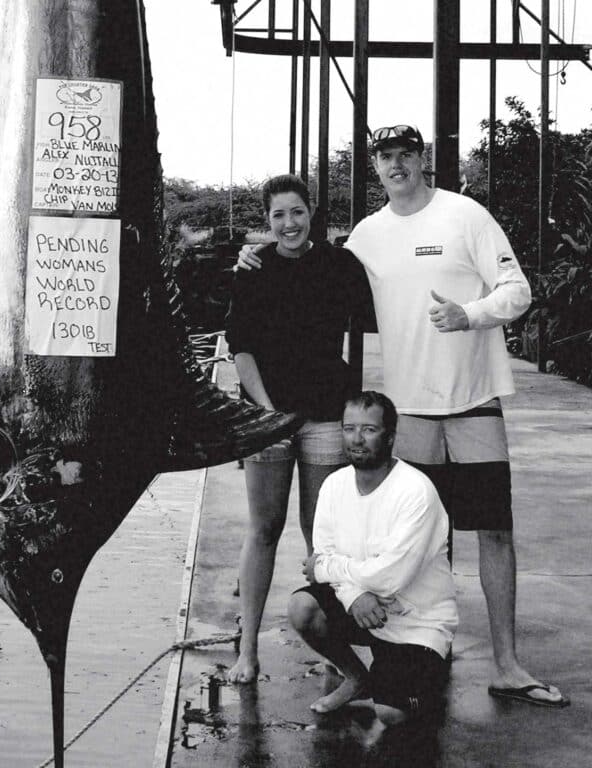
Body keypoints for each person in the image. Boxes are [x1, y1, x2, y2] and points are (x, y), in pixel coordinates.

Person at [238, 124, 568, 707]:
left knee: (494, 532)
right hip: (408, 410)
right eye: (384, 157)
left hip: (474, 401)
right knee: (418, 541)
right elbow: (312, 260)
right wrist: (254, 253)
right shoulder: (367, 235)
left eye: (405, 155)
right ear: (377, 168)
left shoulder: (466, 214)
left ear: (423, 160)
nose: (395, 165)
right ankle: (416, 651)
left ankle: (507, 664)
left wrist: (471, 314)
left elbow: (517, 292)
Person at [224, 174, 373, 684]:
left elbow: (369, 324)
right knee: (263, 529)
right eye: (277, 216)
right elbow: (240, 347)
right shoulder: (252, 270)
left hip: (326, 418)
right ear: (267, 222)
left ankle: (332, 647)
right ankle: (247, 650)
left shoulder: (340, 264)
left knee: (321, 536)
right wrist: (266, 413)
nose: (288, 224)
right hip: (268, 419)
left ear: (311, 214)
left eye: (296, 212)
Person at [290, 391, 457, 735]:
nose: (356, 438)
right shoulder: (334, 485)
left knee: (391, 713)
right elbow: (324, 549)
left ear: (391, 437)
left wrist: (327, 569)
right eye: (349, 428)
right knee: (301, 608)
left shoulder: (415, 491)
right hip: (364, 609)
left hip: (415, 622)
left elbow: (389, 576)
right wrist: (353, 596)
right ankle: (357, 678)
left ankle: (424, 676)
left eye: (369, 429)